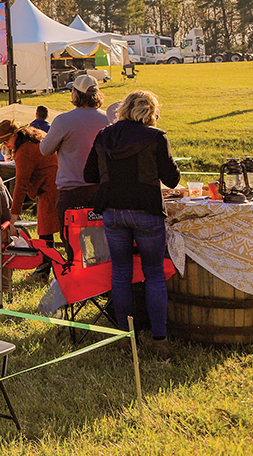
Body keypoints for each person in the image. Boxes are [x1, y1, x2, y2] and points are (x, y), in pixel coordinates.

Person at [83, 89, 180, 360]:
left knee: (121, 273)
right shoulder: (156, 137)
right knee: (154, 274)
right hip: (146, 209)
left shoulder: (104, 136)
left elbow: (89, 174)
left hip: (113, 210)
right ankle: (159, 341)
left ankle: (127, 337)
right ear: (151, 112)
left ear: (123, 108)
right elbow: (171, 179)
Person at [41, 74, 109, 230]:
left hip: (72, 190)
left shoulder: (63, 120)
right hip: (102, 189)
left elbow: (45, 150)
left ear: (76, 94)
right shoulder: (108, 119)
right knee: (101, 242)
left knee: (72, 241)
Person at [0, 119, 58, 280]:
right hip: (57, 186)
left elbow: (20, 185)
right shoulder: (35, 140)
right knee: (54, 232)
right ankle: (54, 269)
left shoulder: (24, 152)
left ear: (16, 135)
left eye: (6, 140)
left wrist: (14, 214)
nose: (6, 144)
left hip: (50, 191)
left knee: (46, 233)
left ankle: (45, 271)